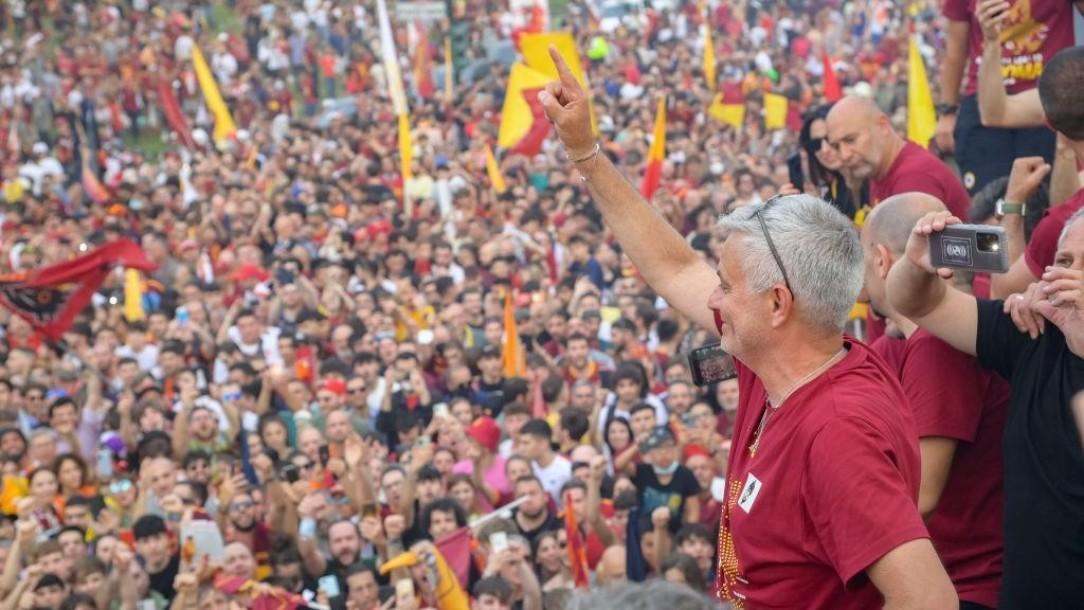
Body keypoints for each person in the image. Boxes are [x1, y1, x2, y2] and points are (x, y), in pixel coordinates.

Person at [539, 47, 955, 607]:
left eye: (729, 286)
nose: (713, 297)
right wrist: (585, 152)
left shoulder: (837, 433)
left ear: (779, 304)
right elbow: (676, 266)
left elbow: (930, 600)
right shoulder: (781, 362)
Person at [863, 193, 1010, 608]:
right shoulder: (915, 342)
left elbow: (921, 496)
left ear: (880, 258)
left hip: (967, 586)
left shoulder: (937, 347)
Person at [938, 0, 1077, 194]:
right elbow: (955, 50)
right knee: (989, 204)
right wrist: (947, 111)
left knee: (1046, 205)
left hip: (1044, 102)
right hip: (986, 101)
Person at [826, 95, 971, 220]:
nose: (844, 155)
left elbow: (908, 250)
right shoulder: (880, 169)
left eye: (851, 140)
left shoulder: (914, 177)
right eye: (836, 146)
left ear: (882, 125)